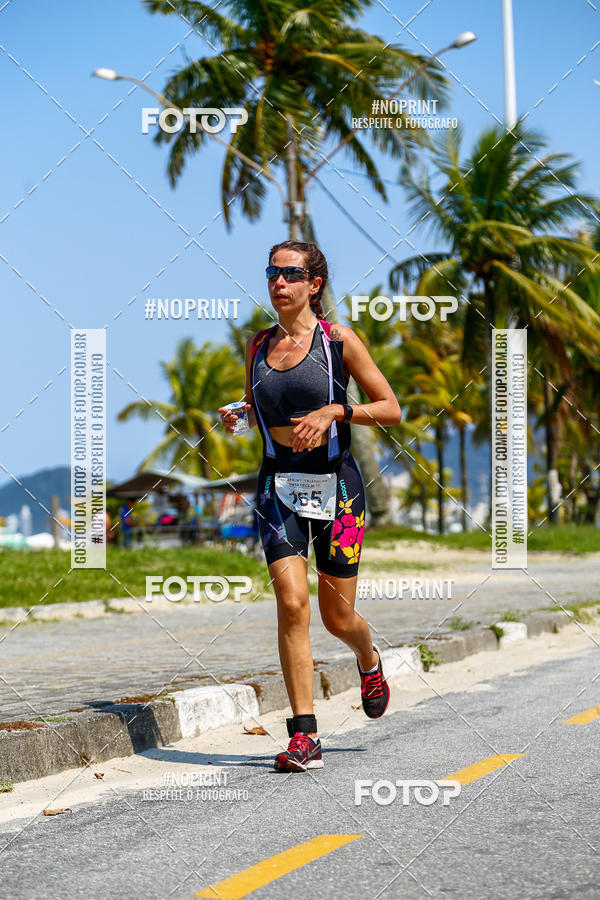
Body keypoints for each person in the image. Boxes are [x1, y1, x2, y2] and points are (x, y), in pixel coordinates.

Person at [219, 240, 402, 773]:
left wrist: (336, 411)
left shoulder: (338, 341)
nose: (278, 281)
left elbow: (390, 408)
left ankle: (368, 660)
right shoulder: (257, 345)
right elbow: (259, 405)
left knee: (336, 615)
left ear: (313, 284)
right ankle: (304, 736)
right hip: (279, 488)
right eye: (271, 271)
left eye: (290, 273)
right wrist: (242, 415)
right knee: (293, 604)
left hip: (337, 488)